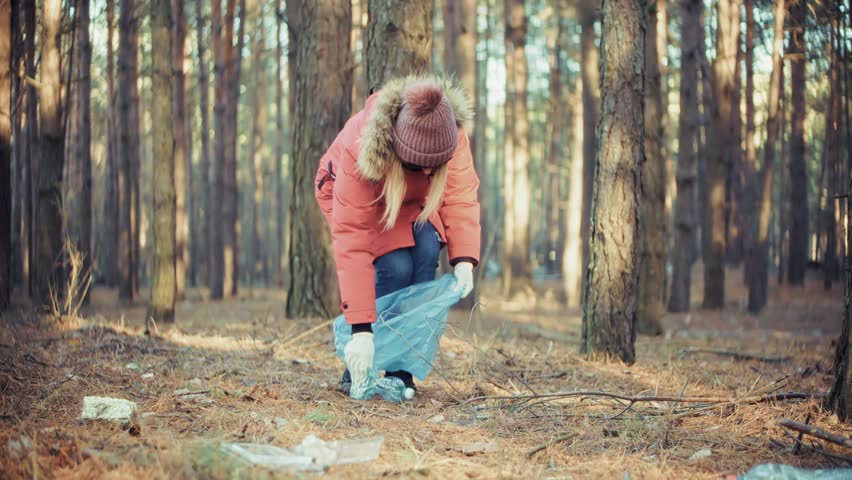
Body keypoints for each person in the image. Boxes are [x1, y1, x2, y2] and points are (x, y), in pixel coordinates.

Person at [315, 75, 481, 399]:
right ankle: (359, 365)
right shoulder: (363, 146)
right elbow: (354, 241)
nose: (429, 173)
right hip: (361, 195)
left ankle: (401, 372)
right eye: (420, 167)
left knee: (427, 250)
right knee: (396, 266)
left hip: (412, 199)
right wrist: (361, 331)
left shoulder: (449, 130)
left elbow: (459, 195)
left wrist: (464, 260)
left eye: (435, 168)